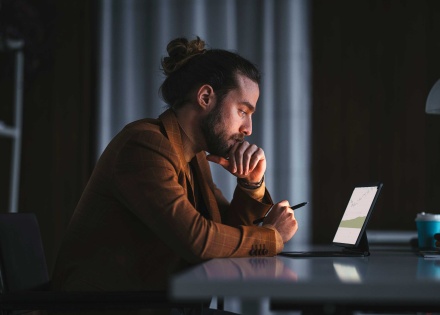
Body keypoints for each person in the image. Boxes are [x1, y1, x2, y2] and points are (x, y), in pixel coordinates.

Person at [51, 36, 298, 314]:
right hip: (110, 308)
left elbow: (223, 230)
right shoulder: (144, 145)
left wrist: (250, 184)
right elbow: (199, 240)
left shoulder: (193, 157)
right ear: (205, 97)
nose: (248, 128)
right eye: (242, 111)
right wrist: (271, 235)